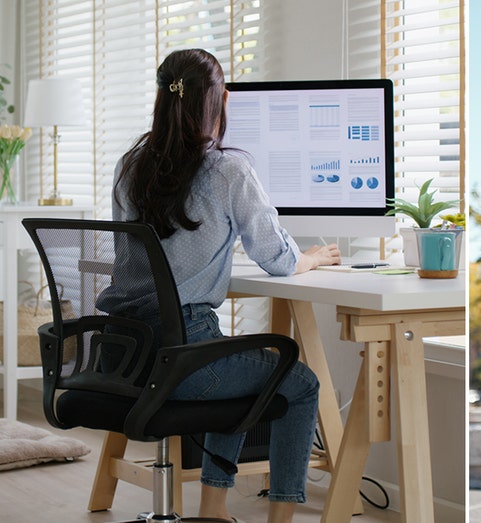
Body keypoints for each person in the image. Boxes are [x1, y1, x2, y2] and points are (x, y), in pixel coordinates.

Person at [97, 48, 340, 523]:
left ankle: (213, 511)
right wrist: (309, 258)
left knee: (233, 365)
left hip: (122, 354)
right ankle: (279, 519)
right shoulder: (228, 170)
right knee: (300, 383)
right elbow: (277, 258)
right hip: (184, 355)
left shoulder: (130, 167)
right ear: (219, 100)